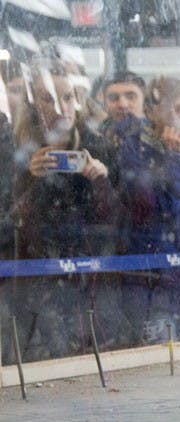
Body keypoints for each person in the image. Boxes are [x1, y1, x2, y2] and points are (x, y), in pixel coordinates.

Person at [10, 61, 121, 361]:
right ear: (34, 106)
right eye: (49, 98)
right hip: (33, 290)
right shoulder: (15, 152)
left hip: (90, 289)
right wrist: (28, 178)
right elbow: (10, 223)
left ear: (79, 100)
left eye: (69, 97)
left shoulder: (98, 147)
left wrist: (101, 180)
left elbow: (120, 226)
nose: (62, 107)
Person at [117, 76, 180, 344]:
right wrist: (170, 158)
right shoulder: (133, 149)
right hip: (150, 277)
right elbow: (149, 205)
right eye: (176, 108)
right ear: (151, 112)